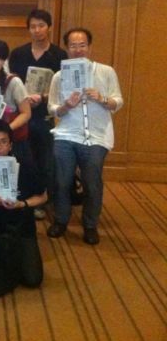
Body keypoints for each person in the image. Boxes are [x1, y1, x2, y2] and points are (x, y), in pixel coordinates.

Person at [46, 28, 123, 245]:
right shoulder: (59, 76)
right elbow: (52, 108)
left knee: (92, 183)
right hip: (66, 134)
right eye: (73, 45)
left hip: (96, 136)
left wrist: (102, 98)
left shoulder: (106, 72)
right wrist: (66, 106)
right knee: (62, 181)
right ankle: (61, 220)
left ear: (89, 47)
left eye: (82, 45)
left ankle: (90, 224)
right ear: (67, 48)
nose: (78, 49)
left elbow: (118, 101)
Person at [0, 118, 47, 296]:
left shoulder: (25, 165)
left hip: (22, 223)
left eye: (3, 142)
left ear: (11, 145)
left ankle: (12, 253)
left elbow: (43, 196)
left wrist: (22, 204)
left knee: (33, 279)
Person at [9, 9, 67, 219]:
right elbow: (12, 82)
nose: (37, 30)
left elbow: (63, 88)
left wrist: (42, 97)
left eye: (41, 25)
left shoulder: (59, 55)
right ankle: (22, 196)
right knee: (23, 157)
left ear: (49, 27)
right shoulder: (18, 53)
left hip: (45, 114)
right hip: (21, 113)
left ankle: (42, 199)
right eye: (33, 26)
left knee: (44, 159)